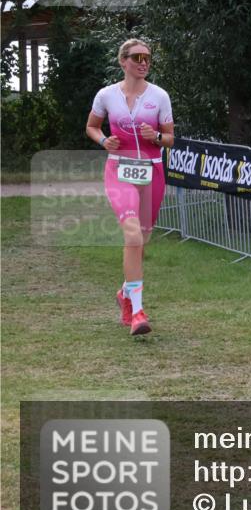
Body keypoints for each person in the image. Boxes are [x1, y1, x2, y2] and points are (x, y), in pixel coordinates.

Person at [85, 39, 175, 336]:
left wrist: (156, 137)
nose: (143, 62)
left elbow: (170, 138)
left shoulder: (159, 96)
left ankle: (124, 293)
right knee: (133, 235)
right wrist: (103, 140)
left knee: (142, 240)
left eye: (147, 58)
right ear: (123, 61)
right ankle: (137, 311)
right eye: (137, 57)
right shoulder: (106, 95)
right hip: (119, 170)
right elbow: (92, 126)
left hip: (152, 172)